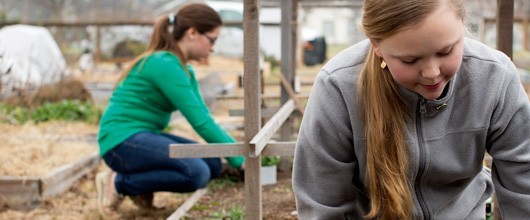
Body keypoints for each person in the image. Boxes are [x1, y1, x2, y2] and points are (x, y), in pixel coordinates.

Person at [292, 0, 530, 219]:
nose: (432, 72)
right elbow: (323, 205)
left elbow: (524, 187)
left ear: (463, 27)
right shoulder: (338, 88)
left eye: (445, 51)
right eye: (409, 60)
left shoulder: (494, 78)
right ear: (377, 45)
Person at [95, 3, 244, 218]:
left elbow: (205, 118)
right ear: (192, 33)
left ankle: (140, 187)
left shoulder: (184, 69)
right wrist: (240, 159)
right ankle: (118, 183)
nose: (213, 48)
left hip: (142, 137)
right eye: (212, 39)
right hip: (120, 141)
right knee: (197, 173)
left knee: (212, 162)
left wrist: (234, 153)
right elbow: (200, 122)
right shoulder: (164, 64)